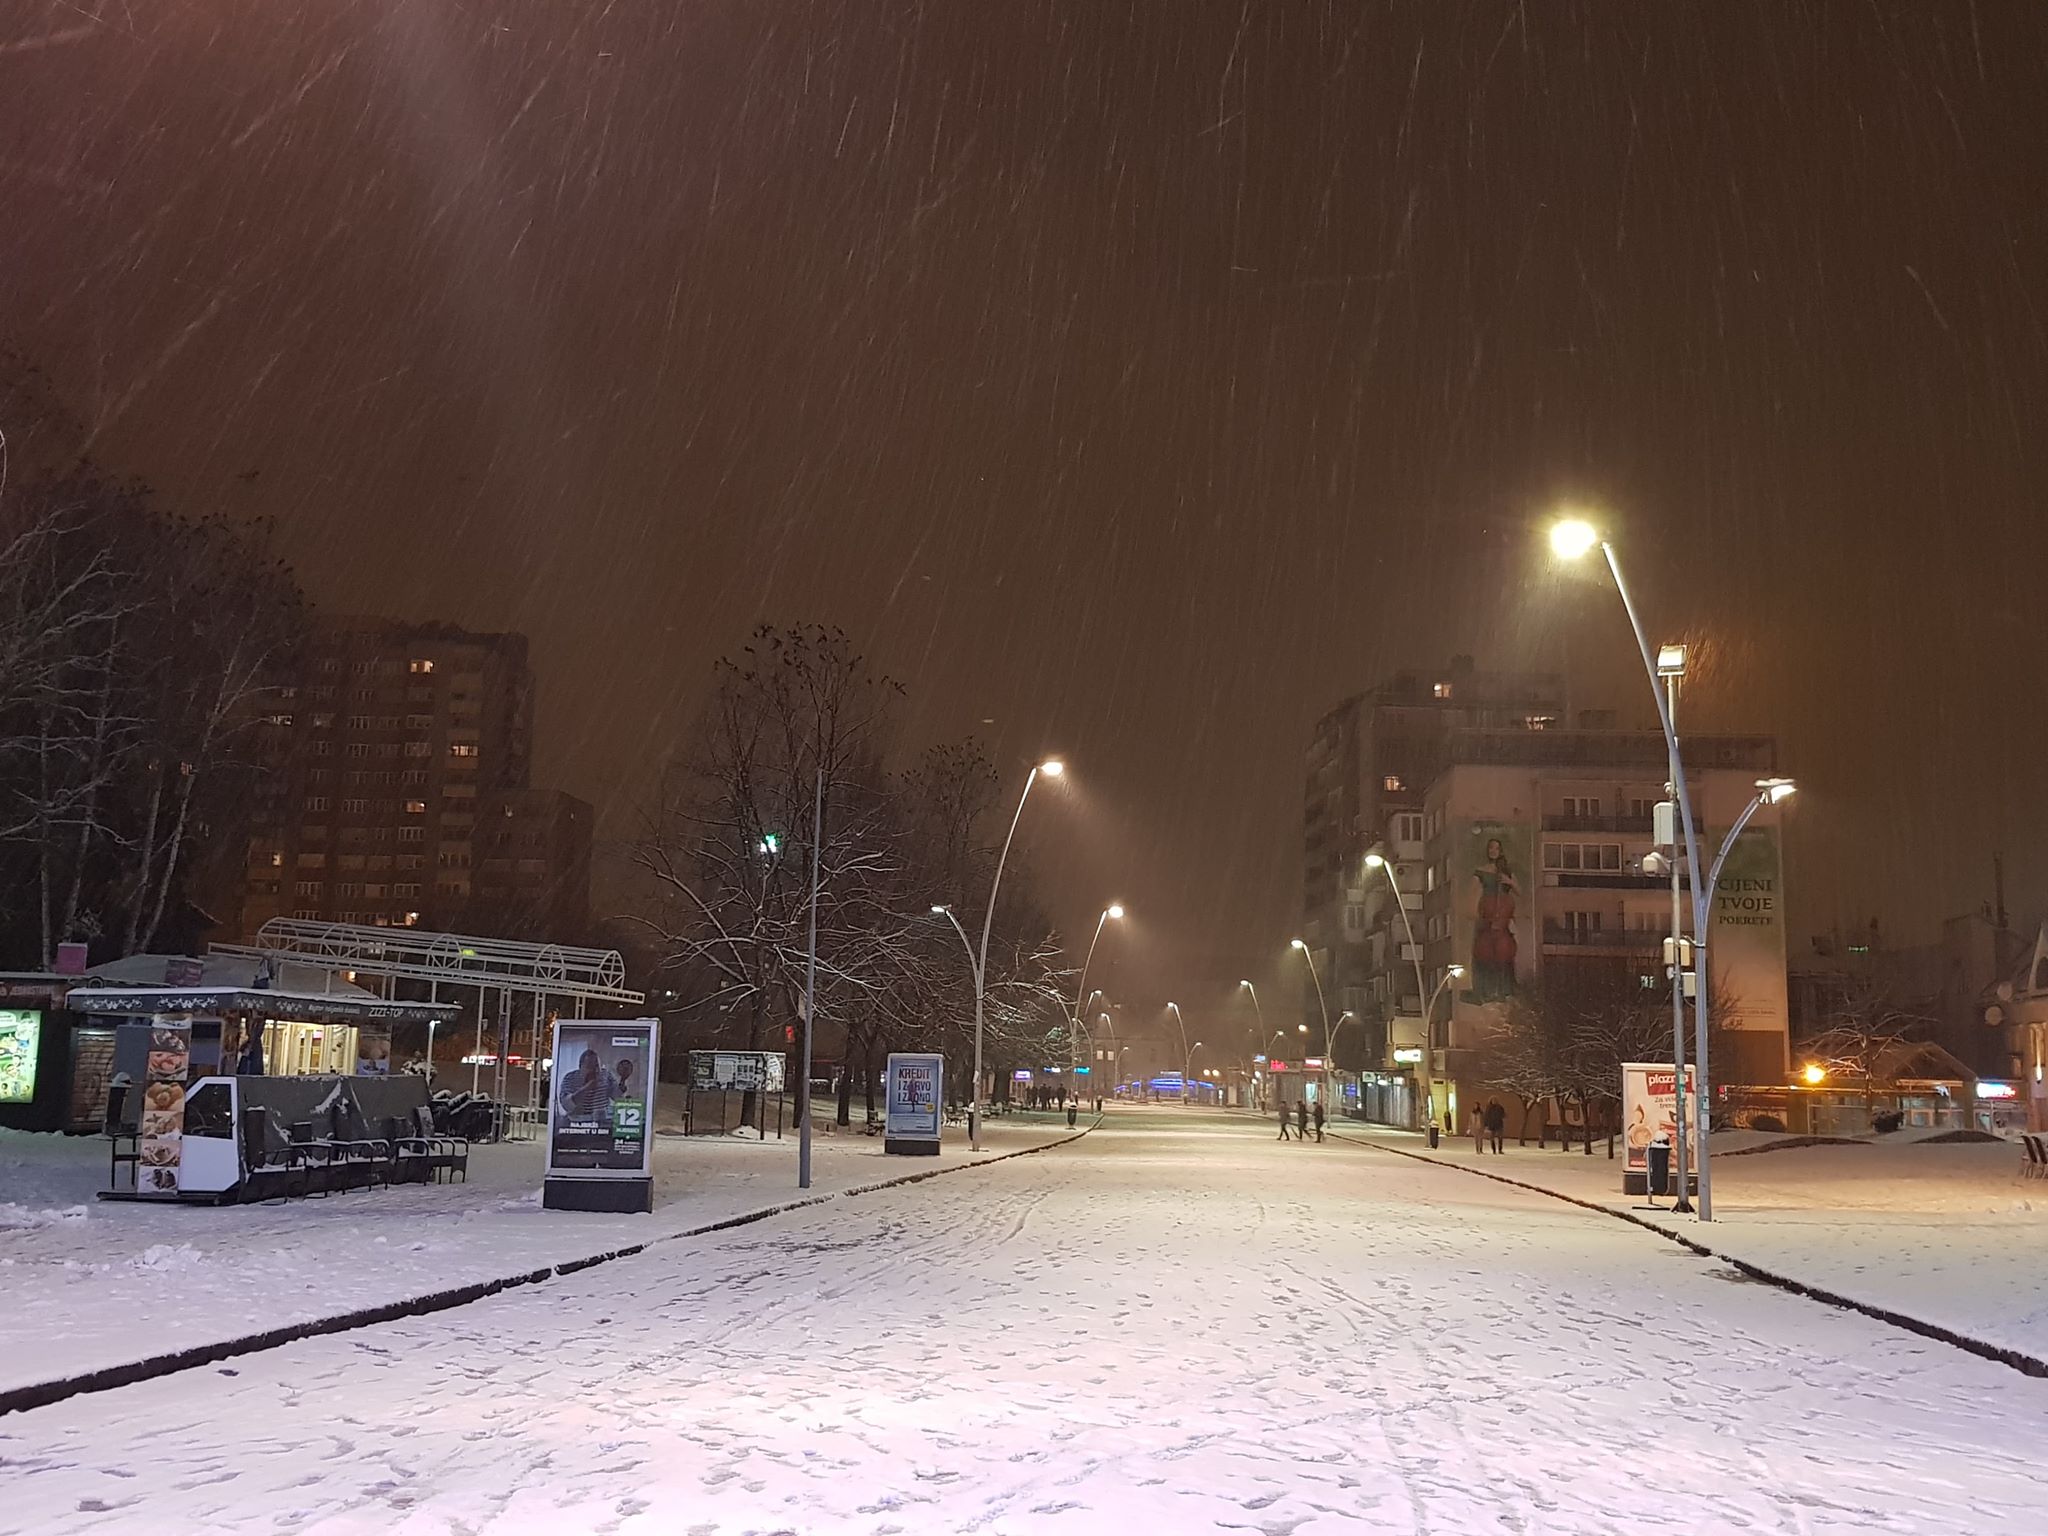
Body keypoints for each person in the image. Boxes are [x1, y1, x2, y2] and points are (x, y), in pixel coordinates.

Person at [556, 1048, 617, 1120]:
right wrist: (586, 1088)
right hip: (577, 1121)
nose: (595, 1070)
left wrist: (622, 1082)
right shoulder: (570, 1078)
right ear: (580, 1067)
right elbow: (566, 1104)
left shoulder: (606, 1075)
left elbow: (617, 1097)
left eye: (597, 1066)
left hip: (601, 1120)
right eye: (590, 1066)